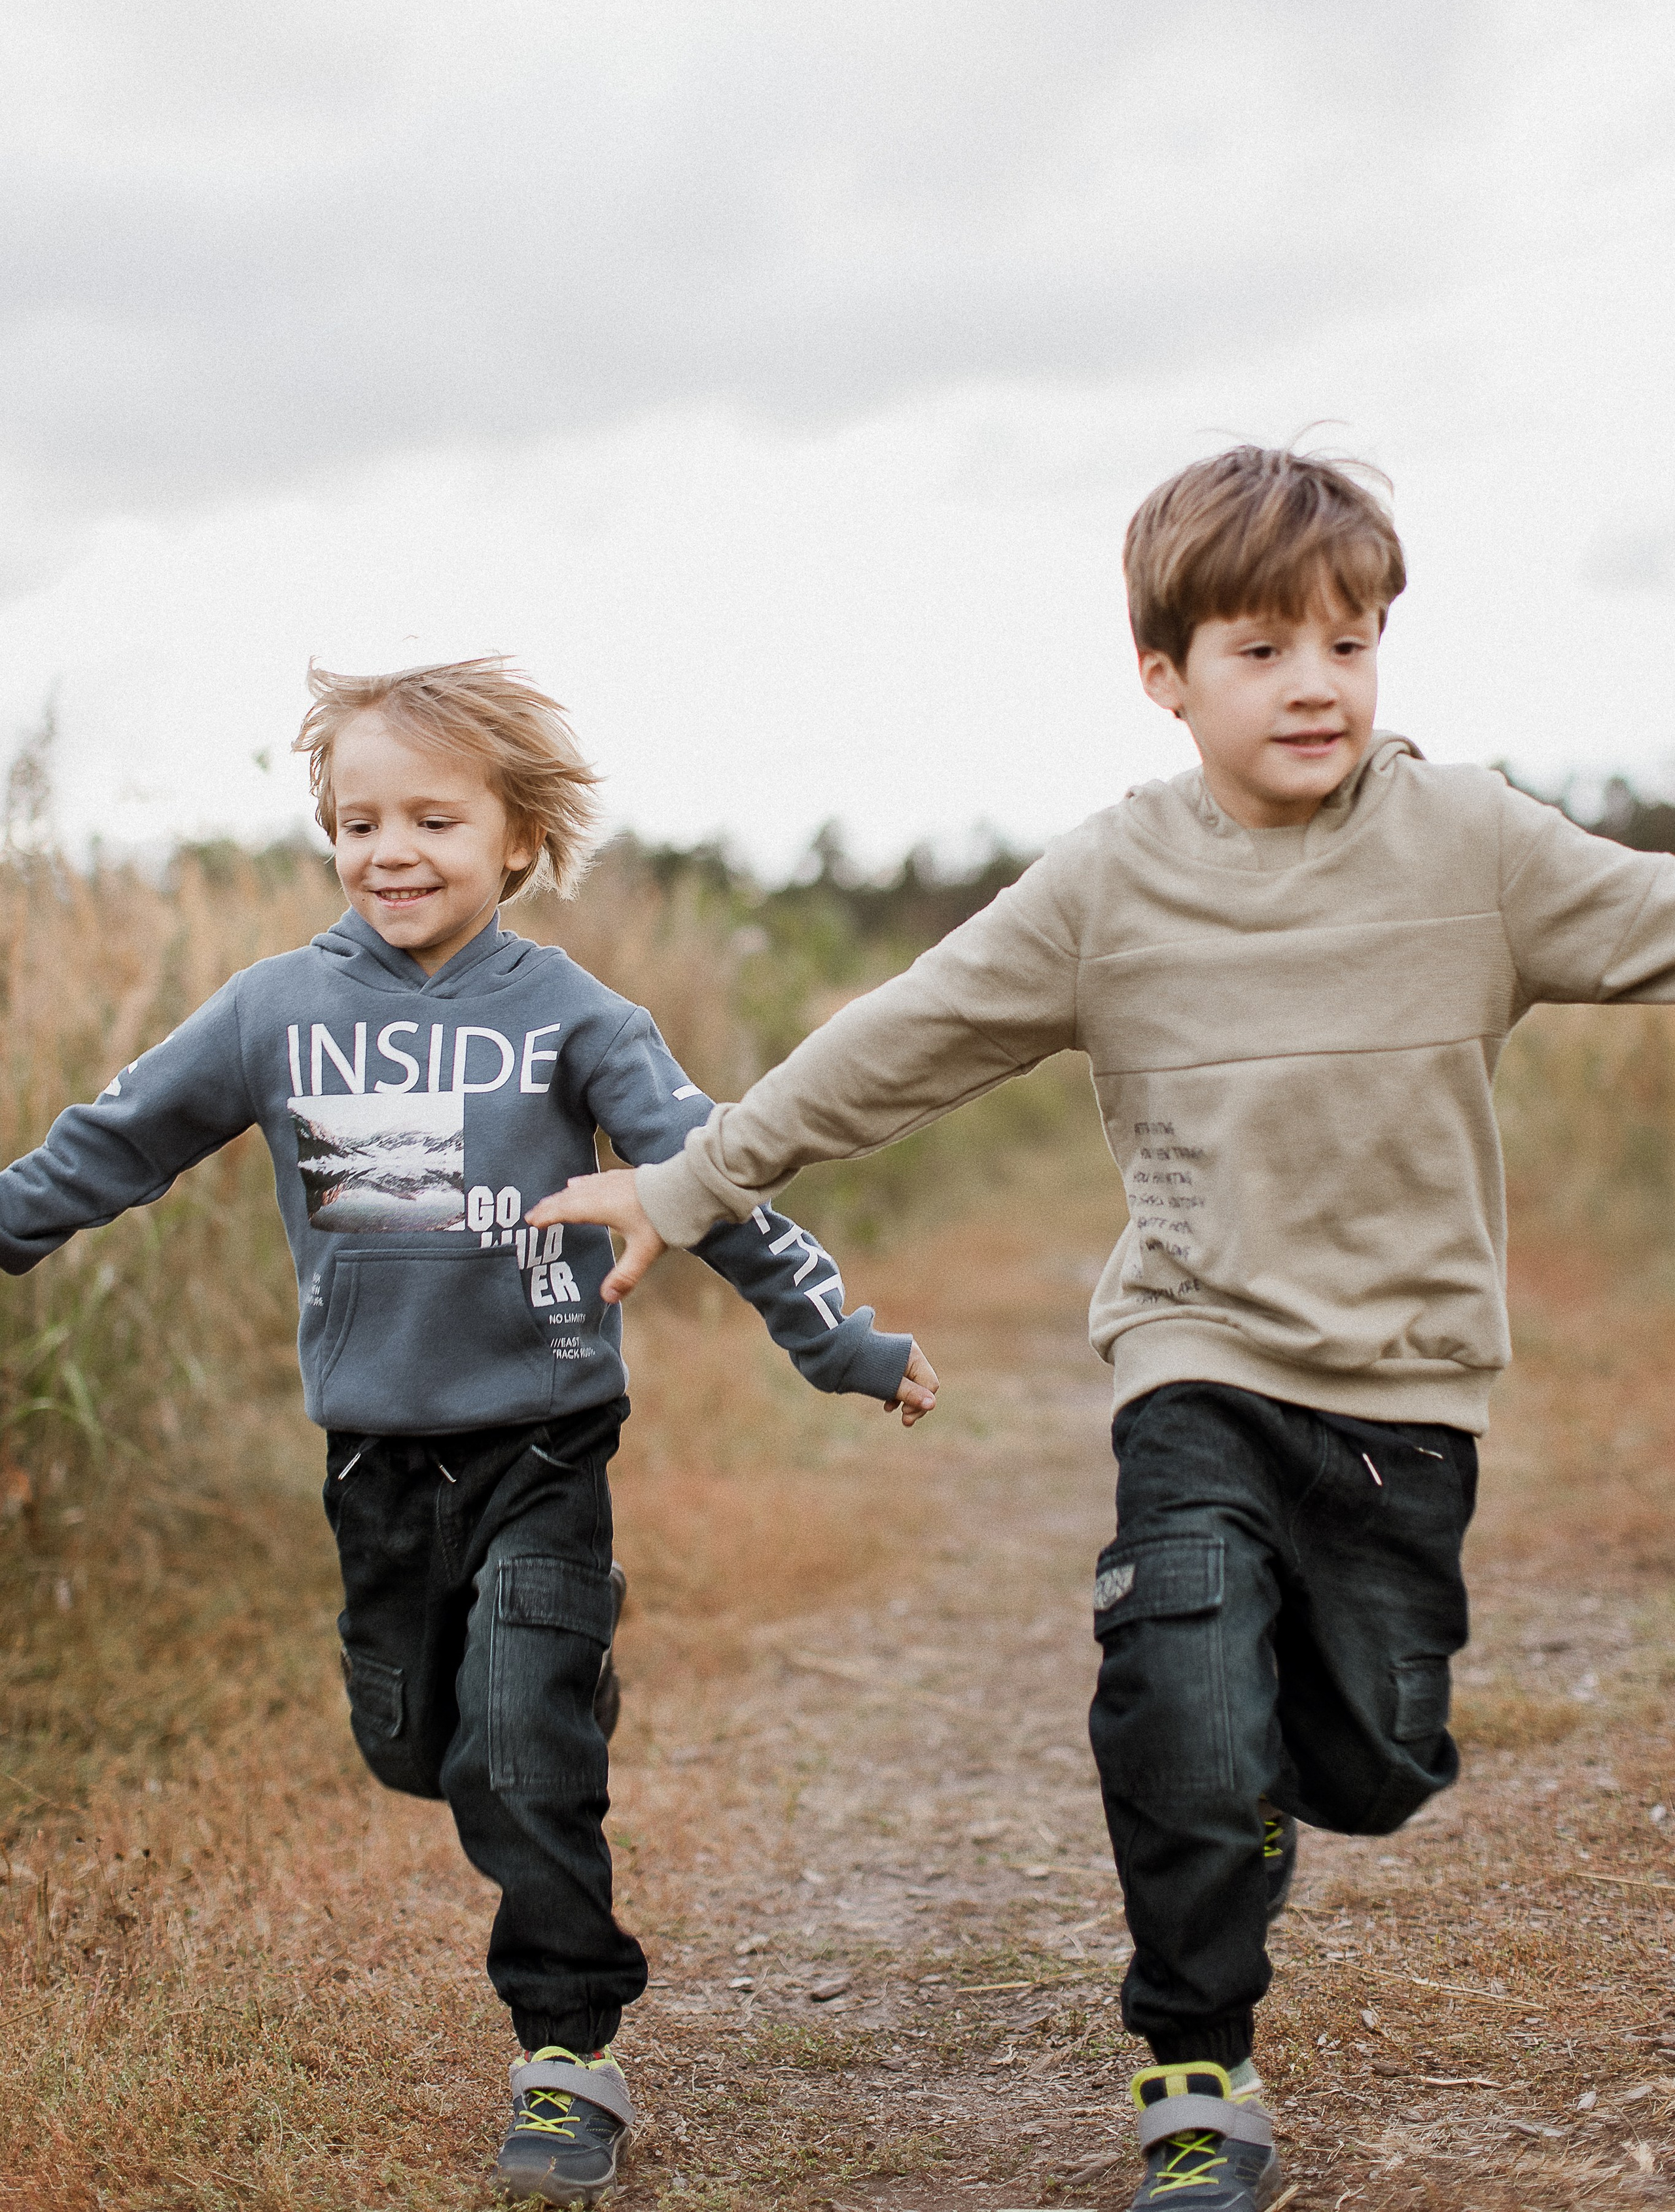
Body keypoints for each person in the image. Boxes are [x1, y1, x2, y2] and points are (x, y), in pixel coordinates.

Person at [534, 446, 1675, 2212]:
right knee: (1183, 1689)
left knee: (1369, 1753)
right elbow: (901, 1036)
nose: (1319, 683)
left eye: (1353, 645)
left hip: (1409, 1396)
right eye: (1265, 648)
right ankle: (1198, 2070)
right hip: (1197, 1358)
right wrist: (693, 1182)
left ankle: (1283, 1776)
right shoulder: (1111, 885)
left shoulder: (1477, 844)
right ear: (1167, 671)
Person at [0, 657, 937, 2210]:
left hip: (544, 1441)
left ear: (514, 838)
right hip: (375, 1458)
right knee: (415, 1743)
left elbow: (712, 1182)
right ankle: (532, 1701)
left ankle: (566, 2052)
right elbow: (113, 1146)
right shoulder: (276, 1010)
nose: (392, 850)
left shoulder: (575, 1015)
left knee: (519, 1745)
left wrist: (838, 1342)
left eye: (433, 817)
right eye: (358, 820)